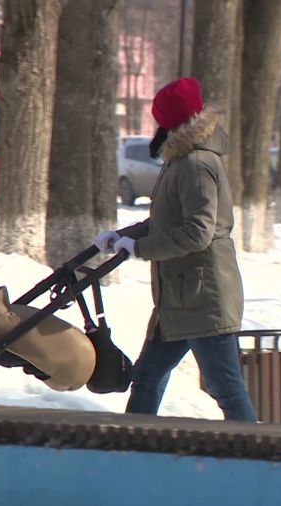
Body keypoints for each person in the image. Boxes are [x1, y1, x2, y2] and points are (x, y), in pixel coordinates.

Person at [94, 77, 256, 422]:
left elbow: (198, 232)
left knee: (226, 390)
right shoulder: (180, 162)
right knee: (147, 379)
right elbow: (165, 223)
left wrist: (139, 248)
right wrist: (119, 237)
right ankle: (131, 450)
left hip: (204, 297)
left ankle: (260, 457)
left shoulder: (196, 165)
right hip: (178, 299)